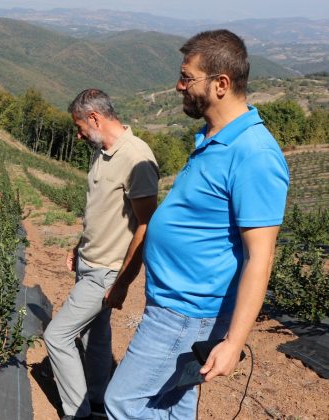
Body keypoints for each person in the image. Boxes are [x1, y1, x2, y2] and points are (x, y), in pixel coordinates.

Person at [105, 29, 290, 419]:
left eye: (187, 78)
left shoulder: (254, 154)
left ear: (221, 84)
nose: (179, 86)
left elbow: (261, 257)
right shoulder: (213, 136)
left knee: (122, 401)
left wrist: (235, 341)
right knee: (171, 404)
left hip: (187, 314)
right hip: (175, 307)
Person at [43, 89, 159, 420]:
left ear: (95, 117)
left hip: (107, 271)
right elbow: (101, 211)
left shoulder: (136, 157)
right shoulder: (103, 150)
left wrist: (123, 281)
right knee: (95, 338)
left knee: (57, 336)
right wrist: (79, 246)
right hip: (90, 263)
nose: (78, 135)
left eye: (79, 126)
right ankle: (96, 402)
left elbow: (146, 224)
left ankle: (76, 412)